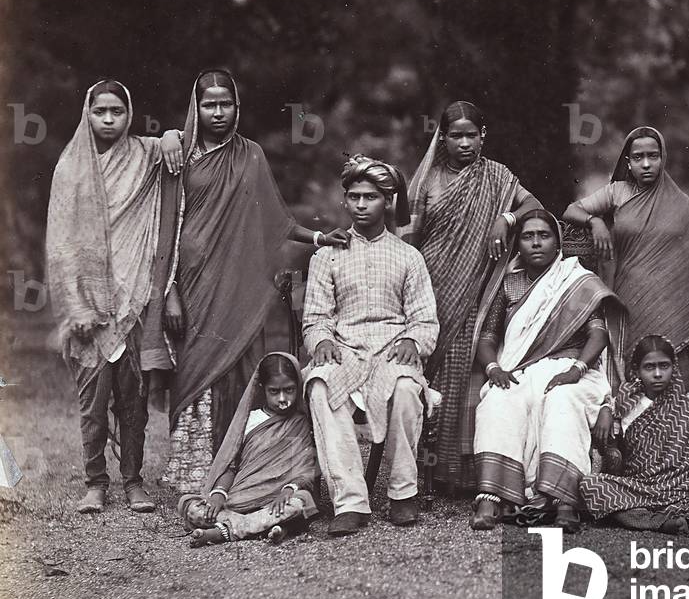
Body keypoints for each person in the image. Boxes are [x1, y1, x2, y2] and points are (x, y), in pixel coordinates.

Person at [151, 69, 347, 494]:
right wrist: (170, 294)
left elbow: (276, 218)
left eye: (226, 104)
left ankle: (237, 463)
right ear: (196, 108)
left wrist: (316, 236)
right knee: (193, 371)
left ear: (237, 108)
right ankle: (191, 468)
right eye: (209, 104)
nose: (218, 113)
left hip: (236, 283)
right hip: (189, 282)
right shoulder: (178, 153)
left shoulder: (250, 154)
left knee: (236, 365)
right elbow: (164, 224)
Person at [46, 80, 179, 514]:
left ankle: (134, 481)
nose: (108, 120)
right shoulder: (70, 167)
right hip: (88, 306)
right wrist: (76, 304)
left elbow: (180, 142)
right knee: (92, 403)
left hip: (134, 298)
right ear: (87, 113)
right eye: (99, 111)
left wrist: (173, 136)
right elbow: (61, 243)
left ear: (129, 114)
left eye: (116, 112)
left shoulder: (146, 154)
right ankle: (95, 482)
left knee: (133, 400)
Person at [402, 101, 542, 492]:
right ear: (442, 138)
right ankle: (430, 471)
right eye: (455, 135)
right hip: (431, 288)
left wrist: (507, 217)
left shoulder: (497, 177)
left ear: (484, 136)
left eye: (471, 135)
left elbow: (534, 206)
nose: (464, 143)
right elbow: (409, 242)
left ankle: (466, 472)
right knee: (436, 371)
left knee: (468, 367)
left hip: (476, 291)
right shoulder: (426, 181)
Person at [303, 156, 439, 537]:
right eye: (354, 197)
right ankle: (349, 502)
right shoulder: (326, 255)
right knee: (319, 383)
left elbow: (424, 318)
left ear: (388, 202)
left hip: (391, 350)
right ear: (344, 201)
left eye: (371, 197)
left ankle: (402, 494)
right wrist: (323, 340)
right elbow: (315, 317)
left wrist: (413, 340)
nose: (362, 205)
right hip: (344, 349)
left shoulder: (409, 256)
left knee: (407, 387)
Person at [470, 210, 623, 533]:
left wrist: (578, 369)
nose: (536, 242)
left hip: (572, 369)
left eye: (544, 235)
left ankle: (565, 499)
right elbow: (487, 339)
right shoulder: (508, 285)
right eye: (528, 236)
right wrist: (494, 367)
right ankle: (492, 496)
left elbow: (598, 333)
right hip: (519, 368)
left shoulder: (577, 280)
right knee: (498, 400)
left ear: (558, 243)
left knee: (562, 401)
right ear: (518, 244)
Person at [563, 126, 689, 389]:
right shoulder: (617, 192)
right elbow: (572, 210)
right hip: (627, 293)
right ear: (628, 161)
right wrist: (595, 222)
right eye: (638, 157)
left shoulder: (682, 205)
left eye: (653, 156)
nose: (647, 164)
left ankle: (681, 416)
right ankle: (627, 416)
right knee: (629, 358)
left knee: (674, 350)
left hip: (672, 299)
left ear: (663, 158)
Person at [578, 335, 689, 534]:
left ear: (673, 367)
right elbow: (609, 426)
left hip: (678, 489)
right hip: (637, 487)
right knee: (591, 485)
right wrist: (606, 410)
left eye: (664, 366)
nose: (657, 374)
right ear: (636, 370)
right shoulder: (625, 403)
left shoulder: (685, 409)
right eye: (649, 367)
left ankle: (642, 517)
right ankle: (659, 522)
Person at [178, 353, 319, 547]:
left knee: (300, 503)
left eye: (289, 390)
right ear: (262, 389)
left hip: (276, 500)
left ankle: (224, 532)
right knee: (192, 507)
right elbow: (232, 465)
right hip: (241, 498)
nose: (282, 399)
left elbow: (302, 468)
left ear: (298, 386)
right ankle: (265, 528)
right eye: (274, 391)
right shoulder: (249, 421)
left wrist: (288, 490)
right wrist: (219, 493)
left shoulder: (299, 422)